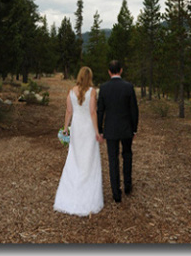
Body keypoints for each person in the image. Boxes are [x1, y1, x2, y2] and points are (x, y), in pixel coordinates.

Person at [53, 67, 104, 216]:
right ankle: (88, 195)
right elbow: (93, 112)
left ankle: (70, 192)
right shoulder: (92, 92)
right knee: (89, 160)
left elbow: (69, 111)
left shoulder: (70, 91)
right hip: (88, 128)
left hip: (76, 128)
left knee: (74, 159)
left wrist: (65, 128)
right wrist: (97, 132)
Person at [97, 60, 139, 203]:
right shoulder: (128, 87)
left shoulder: (103, 88)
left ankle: (116, 193)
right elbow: (134, 109)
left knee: (113, 159)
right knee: (127, 155)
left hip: (111, 128)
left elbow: (100, 111)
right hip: (126, 128)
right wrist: (134, 129)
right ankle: (127, 185)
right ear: (120, 70)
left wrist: (100, 129)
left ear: (109, 72)